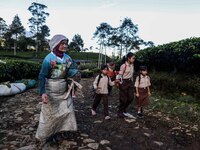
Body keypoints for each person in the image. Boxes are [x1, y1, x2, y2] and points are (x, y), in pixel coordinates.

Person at [36, 34, 80, 146]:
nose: (65, 46)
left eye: (66, 44)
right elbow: (42, 76)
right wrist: (43, 93)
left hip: (64, 90)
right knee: (50, 114)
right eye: (62, 43)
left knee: (67, 111)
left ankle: (62, 131)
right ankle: (47, 135)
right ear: (56, 45)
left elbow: (72, 69)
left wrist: (75, 74)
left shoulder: (67, 58)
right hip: (51, 90)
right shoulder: (48, 59)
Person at [115, 52, 136, 118]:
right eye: (133, 58)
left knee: (131, 98)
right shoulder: (123, 66)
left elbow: (132, 75)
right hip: (124, 82)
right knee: (123, 99)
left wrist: (132, 82)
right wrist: (118, 83)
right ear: (128, 58)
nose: (134, 59)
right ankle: (120, 112)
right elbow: (119, 75)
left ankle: (124, 109)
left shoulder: (132, 65)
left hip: (130, 82)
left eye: (134, 58)